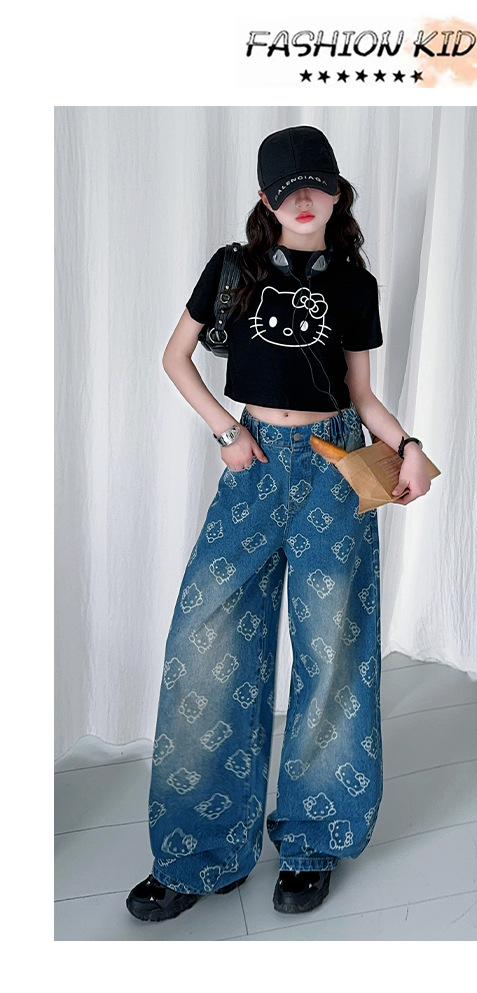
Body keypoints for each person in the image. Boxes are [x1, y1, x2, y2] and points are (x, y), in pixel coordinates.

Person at [126, 125, 432, 922]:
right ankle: (199, 852)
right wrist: (226, 432)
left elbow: (362, 397)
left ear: (336, 192)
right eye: (287, 188)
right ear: (266, 198)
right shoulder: (234, 269)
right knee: (207, 643)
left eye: (316, 184)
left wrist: (409, 448)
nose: (303, 198)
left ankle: (311, 841)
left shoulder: (356, 284)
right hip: (254, 466)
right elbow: (175, 357)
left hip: (335, 468)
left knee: (333, 651)